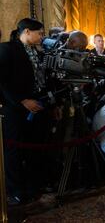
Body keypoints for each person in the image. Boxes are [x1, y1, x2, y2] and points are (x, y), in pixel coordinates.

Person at [0, 18, 47, 204]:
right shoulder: (7, 49)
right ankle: (14, 191)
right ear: (27, 31)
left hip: (36, 108)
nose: (42, 37)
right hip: (14, 110)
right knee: (14, 151)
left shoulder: (37, 51)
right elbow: (2, 82)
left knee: (33, 149)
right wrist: (21, 101)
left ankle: (31, 187)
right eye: (39, 33)